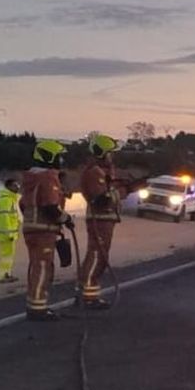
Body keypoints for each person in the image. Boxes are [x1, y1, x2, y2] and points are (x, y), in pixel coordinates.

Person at [20, 139, 69, 321]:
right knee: (42, 267)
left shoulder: (30, 178)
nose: (61, 161)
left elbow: (23, 204)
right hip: (44, 230)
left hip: (31, 229)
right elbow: (50, 207)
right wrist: (66, 219)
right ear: (49, 157)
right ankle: (38, 308)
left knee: (35, 265)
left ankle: (34, 302)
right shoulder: (48, 177)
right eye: (59, 157)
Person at [77, 132, 122, 310]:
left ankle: (90, 295)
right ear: (102, 153)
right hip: (99, 219)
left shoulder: (103, 171)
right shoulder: (94, 173)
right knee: (96, 256)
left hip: (105, 219)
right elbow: (100, 199)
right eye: (110, 152)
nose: (112, 156)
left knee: (100, 258)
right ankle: (86, 296)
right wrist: (122, 192)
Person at [0, 178, 21, 284]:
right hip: (6, 234)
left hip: (8, 233)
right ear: (9, 187)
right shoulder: (6, 200)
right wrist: (9, 233)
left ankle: (7, 274)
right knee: (6, 255)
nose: (17, 187)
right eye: (15, 185)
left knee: (8, 255)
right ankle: (3, 275)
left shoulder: (10, 199)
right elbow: (5, 218)